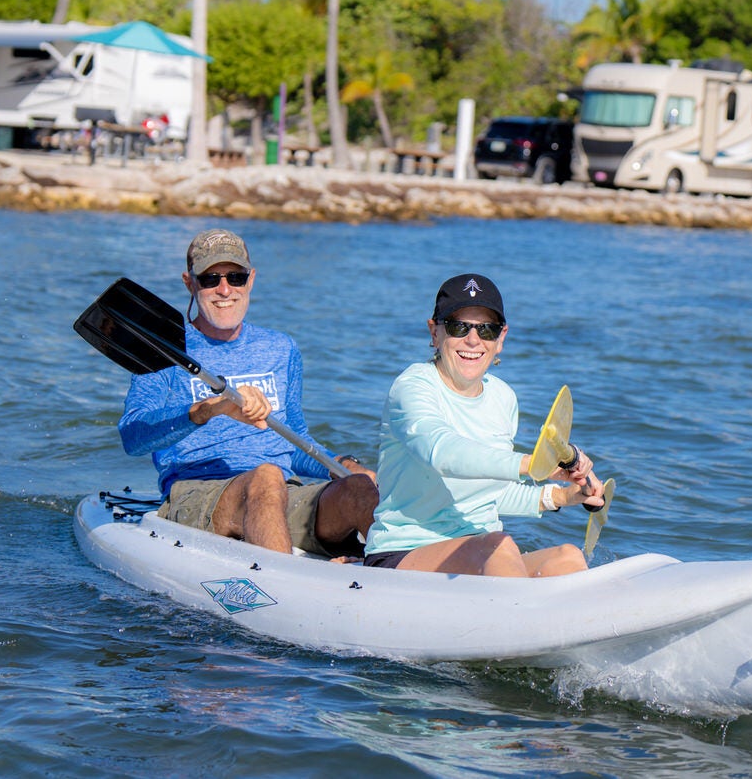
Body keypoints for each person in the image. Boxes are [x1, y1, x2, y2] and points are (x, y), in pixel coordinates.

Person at [118, 227, 379, 557]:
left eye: (235, 277)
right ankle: (284, 590)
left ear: (251, 279)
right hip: (200, 494)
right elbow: (133, 437)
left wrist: (340, 464)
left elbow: (294, 440)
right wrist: (207, 410)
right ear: (190, 282)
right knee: (266, 478)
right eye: (210, 279)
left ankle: (400, 579)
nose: (224, 289)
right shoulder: (163, 351)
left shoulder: (280, 348)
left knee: (361, 487)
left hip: (282, 493)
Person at [362, 272, 606, 577]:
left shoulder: (504, 398)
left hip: (482, 552)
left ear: (501, 339)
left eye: (486, 329)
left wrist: (562, 495)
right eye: (458, 326)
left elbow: (490, 492)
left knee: (567, 558)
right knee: (499, 546)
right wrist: (534, 464)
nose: (473, 340)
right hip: (403, 553)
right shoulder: (412, 387)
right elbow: (444, 454)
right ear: (434, 333)